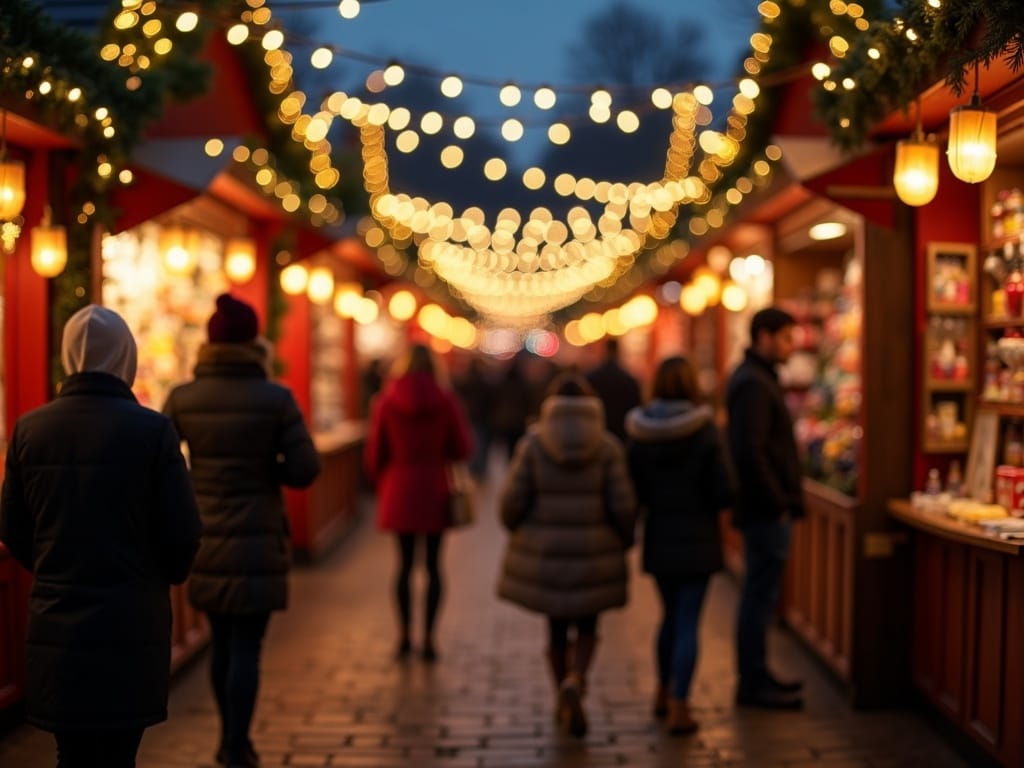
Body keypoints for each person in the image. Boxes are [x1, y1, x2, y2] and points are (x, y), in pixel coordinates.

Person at [0, 305, 201, 767]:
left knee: (69, 752)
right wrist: (157, 576)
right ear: (126, 357)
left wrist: (55, 569)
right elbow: (183, 533)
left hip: (57, 624)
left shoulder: (30, 429)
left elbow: (13, 528)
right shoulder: (153, 431)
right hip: (131, 623)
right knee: (119, 752)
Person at [163, 293, 321, 768]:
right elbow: (305, 468)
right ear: (255, 343)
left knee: (221, 642)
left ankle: (225, 737)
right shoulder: (276, 398)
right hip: (258, 537)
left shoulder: (183, 398)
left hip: (205, 537)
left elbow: (161, 465)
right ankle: (237, 743)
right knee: (248, 646)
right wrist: (267, 468)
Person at [497, 372, 636, 739]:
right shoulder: (607, 446)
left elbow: (512, 502)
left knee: (556, 628)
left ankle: (562, 689)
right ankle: (577, 678)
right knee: (588, 626)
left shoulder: (533, 444)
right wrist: (625, 540)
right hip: (594, 553)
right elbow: (623, 505)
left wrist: (517, 528)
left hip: (547, 555)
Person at [625, 356, 736, 735]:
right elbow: (724, 490)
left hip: (659, 535)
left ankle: (661, 691)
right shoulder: (705, 431)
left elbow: (632, 490)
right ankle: (680, 705)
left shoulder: (640, 433)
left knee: (669, 617)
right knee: (689, 620)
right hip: (698, 537)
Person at [364, 343, 473, 662]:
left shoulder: (386, 401)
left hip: (399, 489)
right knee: (434, 567)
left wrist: (380, 483)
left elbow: (376, 453)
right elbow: (462, 448)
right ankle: (428, 638)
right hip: (435, 488)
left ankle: (403, 636)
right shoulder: (447, 400)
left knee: (404, 566)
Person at [726, 306, 806, 709]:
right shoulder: (753, 383)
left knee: (761, 597)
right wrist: (778, 503)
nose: (793, 346)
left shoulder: (758, 378)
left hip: (765, 509)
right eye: (787, 338)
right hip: (764, 512)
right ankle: (753, 681)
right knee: (758, 598)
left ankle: (758, 674)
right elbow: (750, 452)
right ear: (765, 337)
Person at [585, 337, 642, 444]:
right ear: (618, 351)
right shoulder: (629, 379)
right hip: (622, 432)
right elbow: (636, 407)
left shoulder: (592, 377)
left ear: (604, 350)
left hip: (598, 432)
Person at [453, 355, 496, 479]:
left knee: (472, 442)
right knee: (480, 443)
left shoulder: (465, 381)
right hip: (482, 417)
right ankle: (479, 469)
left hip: (469, 416)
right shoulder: (485, 382)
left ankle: (472, 469)